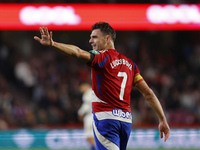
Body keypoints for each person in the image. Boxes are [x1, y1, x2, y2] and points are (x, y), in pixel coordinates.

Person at [34, 22, 170, 150]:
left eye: (94, 37)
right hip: (126, 121)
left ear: (107, 39)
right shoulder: (131, 65)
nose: (90, 41)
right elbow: (148, 93)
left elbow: (78, 52)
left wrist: (54, 44)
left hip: (106, 120)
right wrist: (162, 119)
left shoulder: (101, 56)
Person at [78, 83, 96, 150]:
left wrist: (80, 113)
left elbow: (86, 105)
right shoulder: (93, 92)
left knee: (89, 136)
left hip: (90, 117)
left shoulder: (88, 93)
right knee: (92, 136)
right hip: (94, 116)